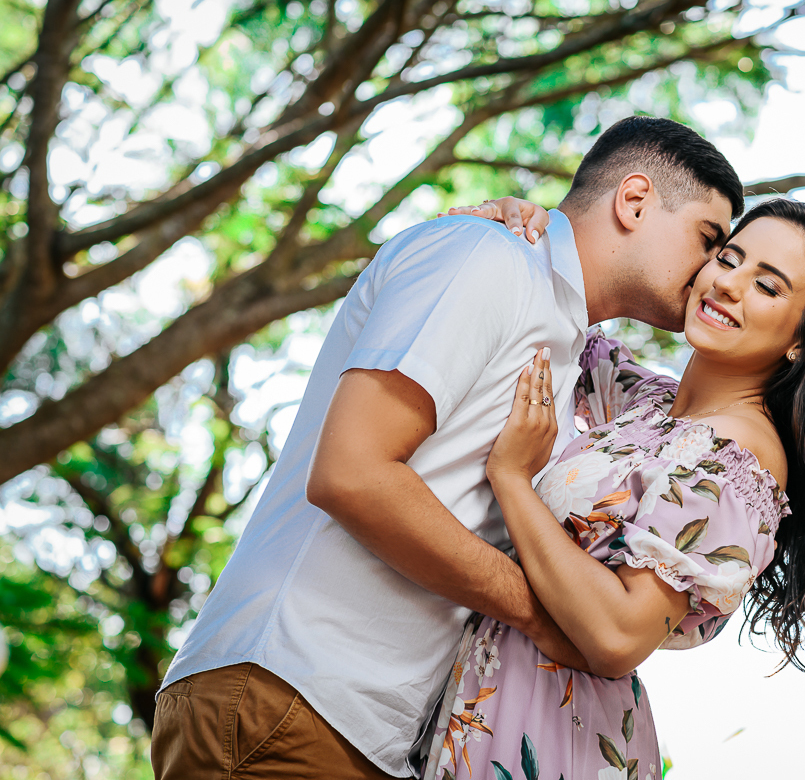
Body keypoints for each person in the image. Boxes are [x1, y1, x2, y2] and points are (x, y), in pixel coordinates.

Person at [149, 116, 743, 780]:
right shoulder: (484, 258)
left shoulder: (569, 351)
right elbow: (352, 474)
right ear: (634, 202)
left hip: (366, 734)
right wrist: (539, 615)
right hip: (291, 695)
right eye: (709, 239)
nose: (715, 272)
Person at [420, 196, 805, 779]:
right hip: (483, 703)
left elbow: (618, 635)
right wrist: (522, 229)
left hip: (556, 732)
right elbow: (569, 316)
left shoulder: (738, 459)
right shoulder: (656, 409)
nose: (728, 284)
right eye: (729, 258)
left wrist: (511, 479)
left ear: (801, 341)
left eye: (768, 286)